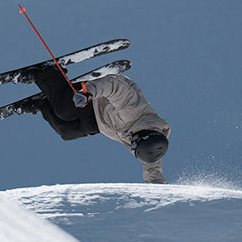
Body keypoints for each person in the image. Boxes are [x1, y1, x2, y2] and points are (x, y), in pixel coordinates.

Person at [31, 64, 171, 184]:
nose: (131, 145)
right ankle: (46, 71)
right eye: (134, 144)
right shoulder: (133, 111)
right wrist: (88, 93)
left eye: (133, 147)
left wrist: (157, 193)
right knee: (64, 110)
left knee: (66, 131)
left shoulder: (148, 146)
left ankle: (44, 102)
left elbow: (153, 168)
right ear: (144, 136)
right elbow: (115, 86)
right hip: (99, 98)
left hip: (101, 121)